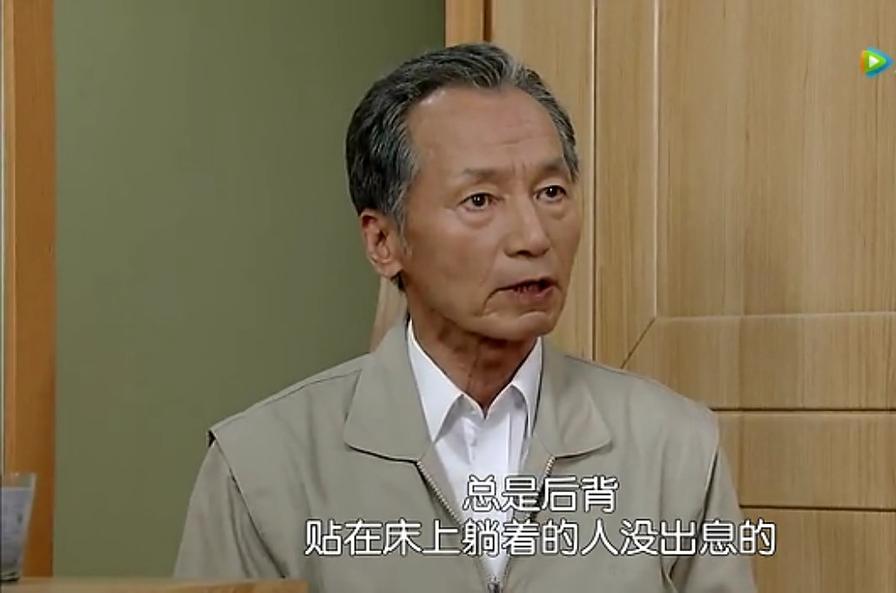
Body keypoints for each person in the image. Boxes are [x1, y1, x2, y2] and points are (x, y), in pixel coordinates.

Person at [174, 43, 756, 593]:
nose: (533, 237)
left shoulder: (674, 446)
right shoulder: (261, 468)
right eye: (480, 200)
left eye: (551, 192)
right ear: (383, 242)